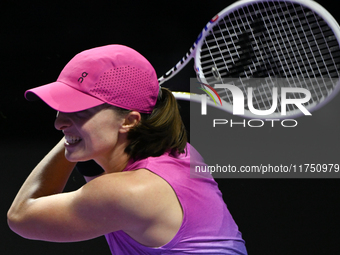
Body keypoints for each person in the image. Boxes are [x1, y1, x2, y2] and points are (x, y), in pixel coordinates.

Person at [7, 45, 247, 254]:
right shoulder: (178, 152)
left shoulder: (129, 192)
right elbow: (95, 164)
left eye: (79, 110)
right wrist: (76, 133)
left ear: (129, 121)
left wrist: (71, 137)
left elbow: (20, 217)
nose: (58, 123)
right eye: (61, 107)